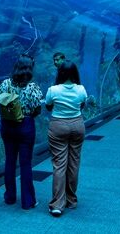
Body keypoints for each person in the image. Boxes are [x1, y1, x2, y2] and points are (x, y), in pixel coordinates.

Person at [0, 55, 43, 209]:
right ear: (30, 68)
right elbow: (38, 108)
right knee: (25, 164)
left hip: (8, 126)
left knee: (10, 161)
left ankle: (10, 197)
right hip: (26, 125)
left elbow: (0, 103)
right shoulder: (33, 87)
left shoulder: (5, 84)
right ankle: (27, 201)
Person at [45, 61, 87, 217]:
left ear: (60, 73)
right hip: (77, 124)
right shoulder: (81, 89)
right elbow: (82, 105)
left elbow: (48, 106)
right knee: (74, 163)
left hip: (58, 126)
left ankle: (57, 204)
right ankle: (71, 200)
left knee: (59, 165)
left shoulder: (53, 90)